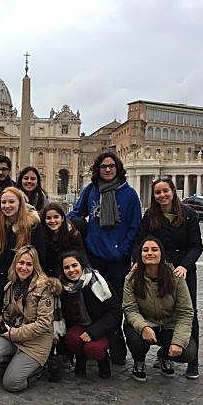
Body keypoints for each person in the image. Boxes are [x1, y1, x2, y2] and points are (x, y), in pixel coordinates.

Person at [68, 151, 141, 365]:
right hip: (94, 256)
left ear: (118, 168)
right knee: (94, 301)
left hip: (118, 259)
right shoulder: (91, 190)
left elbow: (134, 225)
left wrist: (123, 249)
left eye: (111, 166)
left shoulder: (129, 194)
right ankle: (96, 343)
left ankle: (116, 347)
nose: (107, 169)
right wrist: (61, 221)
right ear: (97, 170)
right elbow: (77, 213)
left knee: (115, 303)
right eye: (103, 166)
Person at [134, 177, 203, 378]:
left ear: (173, 191)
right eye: (158, 192)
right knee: (158, 309)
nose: (162, 195)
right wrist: (137, 260)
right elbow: (140, 242)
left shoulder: (189, 215)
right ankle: (163, 352)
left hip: (182, 271)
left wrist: (184, 266)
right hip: (157, 270)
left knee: (189, 312)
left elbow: (196, 246)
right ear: (154, 195)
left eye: (166, 191)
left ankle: (192, 362)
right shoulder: (150, 215)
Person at [0, 245, 61, 392]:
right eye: (21, 263)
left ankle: (38, 369)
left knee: (12, 384)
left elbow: (43, 324)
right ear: (15, 264)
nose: (24, 268)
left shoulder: (44, 287)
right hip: (14, 336)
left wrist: (13, 333)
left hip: (35, 342)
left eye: (29, 264)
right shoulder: (11, 285)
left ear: (35, 266)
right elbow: (8, 317)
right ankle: (16, 364)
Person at [123, 236, 196, 382]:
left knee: (188, 352)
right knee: (135, 338)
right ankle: (139, 361)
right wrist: (143, 327)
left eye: (154, 250)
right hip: (144, 323)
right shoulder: (131, 278)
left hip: (168, 326)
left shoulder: (176, 277)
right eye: (145, 250)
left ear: (161, 254)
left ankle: (164, 355)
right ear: (140, 255)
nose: (150, 253)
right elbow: (130, 309)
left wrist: (178, 341)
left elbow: (185, 312)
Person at [60, 251, 121, 379]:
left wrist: (93, 332)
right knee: (72, 339)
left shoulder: (98, 281)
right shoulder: (63, 287)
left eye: (74, 265)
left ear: (82, 265)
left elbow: (115, 312)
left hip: (101, 326)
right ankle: (80, 358)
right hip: (80, 325)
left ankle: (103, 361)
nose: (71, 270)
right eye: (66, 267)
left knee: (93, 348)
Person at [0, 187, 46, 308]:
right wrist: (1, 273)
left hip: (26, 276)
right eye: (3, 202)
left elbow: (40, 254)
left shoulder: (32, 224)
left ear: (20, 203)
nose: (7, 206)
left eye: (11, 202)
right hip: (1, 277)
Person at [41, 202, 86, 278]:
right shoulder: (41, 234)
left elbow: (80, 257)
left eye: (56, 217)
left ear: (62, 218)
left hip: (68, 271)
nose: (52, 221)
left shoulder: (73, 234)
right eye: (48, 218)